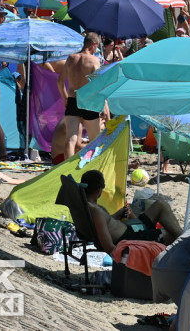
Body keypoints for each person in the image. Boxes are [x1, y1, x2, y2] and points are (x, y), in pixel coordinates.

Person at [80, 170, 182, 254]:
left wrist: (117, 215)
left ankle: (185, 240)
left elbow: (105, 224)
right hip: (130, 238)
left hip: (130, 228)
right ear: (99, 191)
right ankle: (187, 244)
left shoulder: (88, 206)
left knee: (160, 204)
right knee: (170, 234)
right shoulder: (96, 212)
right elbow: (109, 247)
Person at [58, 32, 103, 161]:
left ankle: (67, 168)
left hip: (73, 99)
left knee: (70, 138)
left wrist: (65, 98)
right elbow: (98, 86)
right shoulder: (94, 60)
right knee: (95, 139)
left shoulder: (71, 58)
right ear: (93, 45)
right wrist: (104, 107)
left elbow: (60, 81)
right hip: (89, 101)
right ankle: (94, 166)